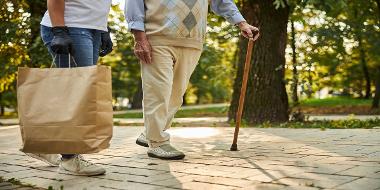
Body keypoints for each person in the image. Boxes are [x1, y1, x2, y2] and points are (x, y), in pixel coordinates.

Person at [125, 0, 260, 160]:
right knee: (158, 92)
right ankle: (157, 142)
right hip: (157, 38)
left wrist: (241, 23)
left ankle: (150, 132)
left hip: (192, 41)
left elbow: (221, 1)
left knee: (176, 96)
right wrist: (139, 37)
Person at [25, 0, 113, 176]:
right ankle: (69, 159)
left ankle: (43, 143)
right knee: (75, 93)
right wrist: (59, 30)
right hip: (70, 26)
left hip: (92, 28)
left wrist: (104, 28)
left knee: (76, 91)